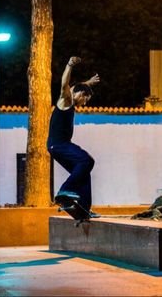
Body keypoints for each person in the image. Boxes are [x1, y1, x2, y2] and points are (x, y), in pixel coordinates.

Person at [47, 56, 100, 218]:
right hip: (59, 144)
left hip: (58, 146)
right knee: (87, 160)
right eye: (85, 99)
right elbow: (65, 84)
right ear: (79, 94)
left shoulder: (73, 95)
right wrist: (69, 65)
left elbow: (76, 87)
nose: (84, 103)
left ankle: (83, 210)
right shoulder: (66, 100)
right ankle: (65, 190)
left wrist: (88, 83)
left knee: (84, 171)